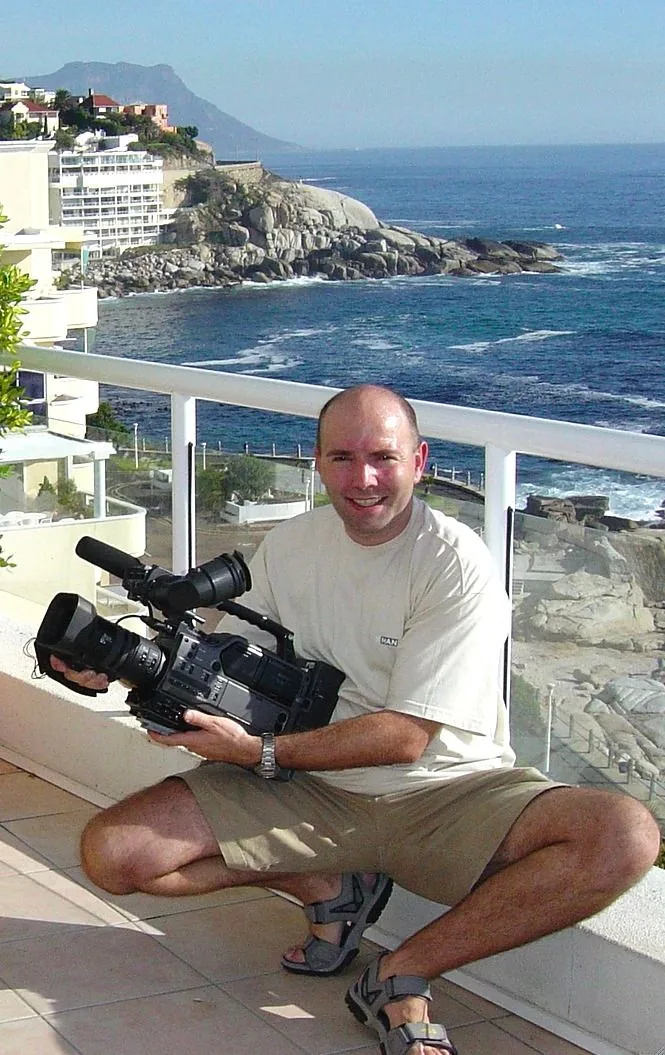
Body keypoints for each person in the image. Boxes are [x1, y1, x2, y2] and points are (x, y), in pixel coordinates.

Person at [51, 384, 660, 1055]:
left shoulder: (453, 562)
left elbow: (405, 737)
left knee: (622, 833)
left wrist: (260, 753)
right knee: (112, 854)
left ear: (419, 460)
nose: (362, 479)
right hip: (307, 784)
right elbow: (217, 663)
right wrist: (107, 671)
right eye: (341, 457)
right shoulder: (289, 545)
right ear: (315, 461)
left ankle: (402, 971)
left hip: (446, 791)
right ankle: (333, 887)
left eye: (382, 457)